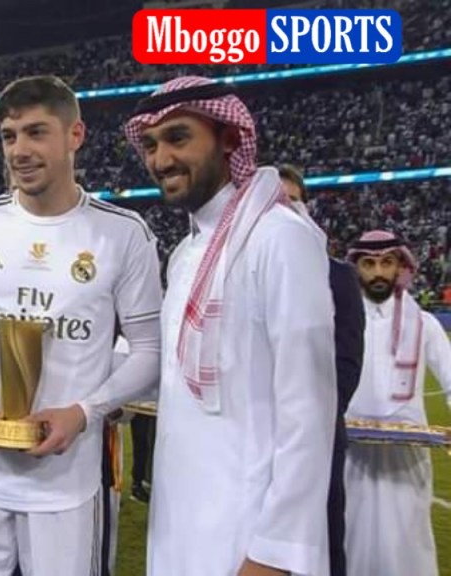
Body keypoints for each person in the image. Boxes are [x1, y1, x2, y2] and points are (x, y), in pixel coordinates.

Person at [0, 75, 162, 575]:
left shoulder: (123, 235)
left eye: (36, 132)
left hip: (66, 484)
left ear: (75, 135)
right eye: (9, 136)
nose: (19, 150)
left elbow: (149, 352)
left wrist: (84, 412)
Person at [124, 76, 336, 576]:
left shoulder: (279, 239)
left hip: (249, 535)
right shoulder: (185, 254)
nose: (160, 160)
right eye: (150, 145)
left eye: (178, 138)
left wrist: (276, 551)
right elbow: (175, 375)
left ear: (229, 137)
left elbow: (309, 409)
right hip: (181, 523)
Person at [343, 230, 451, 576]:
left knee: (407, 545)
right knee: (351, 540)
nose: (378, 272)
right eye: (368, 263)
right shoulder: (338, 323)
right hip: (351, 457)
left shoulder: (424, 324)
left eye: (387, 263)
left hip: (408, 460)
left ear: (400, 266)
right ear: (355, 268)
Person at [279, 164, 365, 576]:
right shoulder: (242, 274)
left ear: (307, 208)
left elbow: (348, 361)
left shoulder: (339, 276)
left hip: (319, 437)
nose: (285, 210)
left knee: (324, 544)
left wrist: (312, 419)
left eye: (293, 201)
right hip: (261, 440)